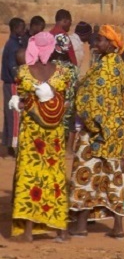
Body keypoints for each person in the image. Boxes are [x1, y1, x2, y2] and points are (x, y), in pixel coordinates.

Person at [68, 25, 124, 239]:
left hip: (96, 132)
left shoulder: (105, 68)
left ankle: (81, 226)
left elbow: (93, 102)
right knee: (112, 178)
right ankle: (118, 227)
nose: (95, 44)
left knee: (84, 175)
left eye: (99, 40)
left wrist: (89, 123)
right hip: (113, 133)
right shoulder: (116, 64)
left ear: (111, 43)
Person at [10, 31, 73, 241]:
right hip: (54, 135)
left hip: (32, 135)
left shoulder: (24, 72)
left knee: (30, 177)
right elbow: (65, 101)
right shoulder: (62, 72)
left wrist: (19, 103)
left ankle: (28, 231)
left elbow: (23, 100)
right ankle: (61, 229)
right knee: (54, 177)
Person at [2, 17, 26, 157]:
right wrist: (21, 79)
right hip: (12, 83)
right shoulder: (13, 46)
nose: (23, 30)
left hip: (9, 83)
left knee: (10, 114)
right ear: (16, 29)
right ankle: (14, 147)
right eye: (22, 28)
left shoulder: (13, 43)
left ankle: (7, 145)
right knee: (15, 115)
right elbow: (13, 67)